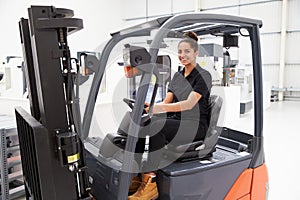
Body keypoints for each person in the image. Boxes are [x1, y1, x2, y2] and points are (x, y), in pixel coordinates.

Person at [128, 31, 212, 200]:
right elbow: (167, 102)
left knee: (157, 126)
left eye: (187, 51)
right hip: (178, 121)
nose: (182, 55)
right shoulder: (178, 75)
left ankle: (151, 183)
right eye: (180, 52)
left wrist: (158, 110)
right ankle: (137, 175)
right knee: (143, 122)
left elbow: (189, 104)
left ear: (196, 52)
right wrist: (151, 108)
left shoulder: (203, 76)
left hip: (194, 125)